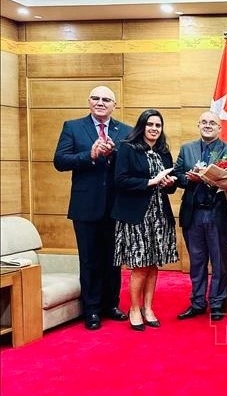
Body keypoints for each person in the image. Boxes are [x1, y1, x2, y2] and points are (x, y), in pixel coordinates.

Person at [53, 86, 131, 330]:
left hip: (116, 206)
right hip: (85, 205)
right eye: (96, 98)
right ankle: (92, 309)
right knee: (89, 260)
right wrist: (90, 154)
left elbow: (129, 165)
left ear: (114, 105)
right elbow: (60, 161)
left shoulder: (126, 131)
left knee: (113, 259)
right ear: (89, 101)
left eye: (106, 99)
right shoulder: (73, 127)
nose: (100, 102)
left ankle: (111, 304)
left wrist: (113, 153)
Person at [112, 109, 179, 331]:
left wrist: (169, 183)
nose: (154, 129)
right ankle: (133, 308)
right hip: (136, 216)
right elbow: (120, 181)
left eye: (158, 126)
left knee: (152, 265)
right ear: (142, 126)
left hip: (159, 216)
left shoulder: (163, 152)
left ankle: (148, 308)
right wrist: (150, 182)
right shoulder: (128, 148)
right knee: (140, 265)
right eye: (150, 124)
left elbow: (169, 189)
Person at [173, 111, 227, 322]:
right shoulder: (187, 149)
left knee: (219, 262)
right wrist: (188, 179)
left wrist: (212, 179)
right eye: (204, 122)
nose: (208, 125)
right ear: (199, 125)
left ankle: (217, 302)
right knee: (197, 262)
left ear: (220, 128)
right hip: (193, 214)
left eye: (212, 123)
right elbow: (176, 176)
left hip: (218, 214)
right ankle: (198, 302)